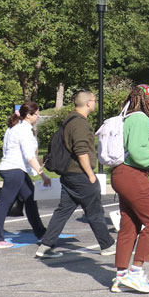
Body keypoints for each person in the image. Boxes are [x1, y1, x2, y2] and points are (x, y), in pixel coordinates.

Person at [109, 85, 149, 293]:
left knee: (130, 226)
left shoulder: (127, 117)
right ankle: (135, 272)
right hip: (132, 174)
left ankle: (120, 276)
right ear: (148, 100)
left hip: (121, 173)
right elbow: (138, 152)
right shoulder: (141, 118)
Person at [36, 91, 116, 259]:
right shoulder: (79, 123)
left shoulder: (70, 120)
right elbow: (81, 151)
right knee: (94, 211)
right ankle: (107, 245)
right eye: (94, 100)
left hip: (69, 175)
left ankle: (46, 246)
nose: (95, 103)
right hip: (80, 175)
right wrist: (90, 175)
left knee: (63, 211)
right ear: (88, 103)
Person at [0, 102, 52, 249]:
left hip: (14, 169)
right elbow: (29, 156)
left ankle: (41, 233)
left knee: (30, 198)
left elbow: (8, 150)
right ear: (28, 115)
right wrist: (43, 175)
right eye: (36, 113)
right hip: (14, 170)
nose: (38, 116)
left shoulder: (13, 128)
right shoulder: (23, 130)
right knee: (4, 203)